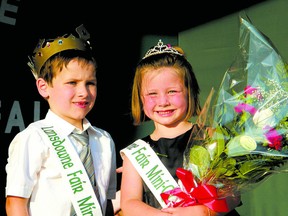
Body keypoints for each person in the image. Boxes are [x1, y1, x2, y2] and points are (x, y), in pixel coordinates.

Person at [5, 24, 117, 216]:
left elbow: (106, 203)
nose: (83, 92)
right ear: (43, 87)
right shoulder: (33, 138)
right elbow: (15, 204)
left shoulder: (104, 140)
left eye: (90, 83)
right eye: (72, 83)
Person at [120, 40, 241, 216]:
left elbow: (232, 195)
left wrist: (203, 212)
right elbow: (130, 203)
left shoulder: (210, 136)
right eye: (152, 94)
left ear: (189, 91)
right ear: (140, 97)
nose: (163, 102)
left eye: (172, 92)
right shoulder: (135, 153)